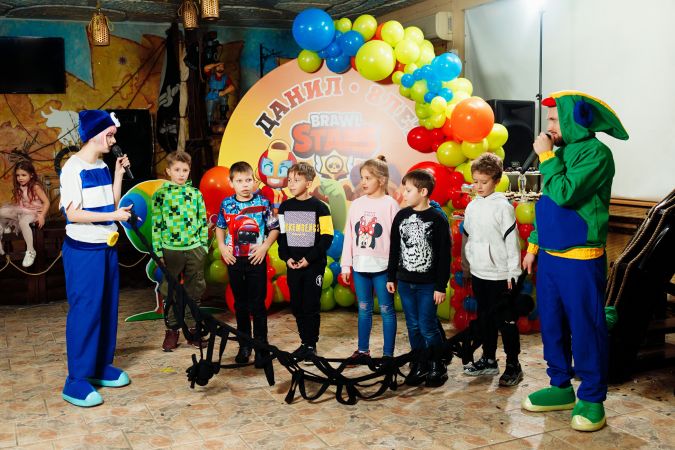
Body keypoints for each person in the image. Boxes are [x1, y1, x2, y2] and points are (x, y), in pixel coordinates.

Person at [521, 91, 629, 432]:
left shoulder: (597, 154)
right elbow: (548, 205)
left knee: (586, 328)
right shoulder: (559, 153)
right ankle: (560, 386)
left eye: (554, 119)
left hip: (580, 260)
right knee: (552, 325)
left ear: (574, 119)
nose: (549, 126)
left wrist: (546, 157)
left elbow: (565, 193)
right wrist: (533, 246)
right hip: (550, 260)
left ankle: (592, 397)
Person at [59, 109, 133, 407]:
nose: (113, 140)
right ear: (93, 134)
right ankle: (76, 379)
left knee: (106, 308)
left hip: (107, 247)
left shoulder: (102, 165)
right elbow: (73, 214)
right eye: (109, 135)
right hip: (83, 251)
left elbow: (111, 203)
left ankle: (100, 366)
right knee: (86, 311)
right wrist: (113, 216)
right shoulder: (72, 168)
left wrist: (118, 174)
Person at [461, 153, 523, 386]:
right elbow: (470, 238)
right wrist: (469, 266)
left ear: (496, 180)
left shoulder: (503, 207)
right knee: (485, 319)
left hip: (501, 275)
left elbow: (512, 242)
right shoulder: (472, 206)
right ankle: (488, 359)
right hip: (480, 272)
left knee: (506, 321)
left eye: (483, 182)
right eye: (475, 181)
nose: (478, 186)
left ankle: (513, 365)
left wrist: (513, 273)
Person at [387, 169, 451, 387]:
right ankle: (420, 361)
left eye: (408, 190)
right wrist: (391, 276)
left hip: (428, 285)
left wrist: (440, 286)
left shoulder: (438, 219)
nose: (404, 194)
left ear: (423, 192)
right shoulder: (401, 216)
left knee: (427, 326)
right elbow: (394, 249)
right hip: (405, 282)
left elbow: (444, 256)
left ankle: (437, 363)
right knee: (413, 326)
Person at [215, 161, 279, 366]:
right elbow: (220, 226)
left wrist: (264, 247)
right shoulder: (226, 203)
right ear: (231, 183)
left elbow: (274, 228)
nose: (245, 185)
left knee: (258, 304)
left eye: (248, 180)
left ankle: (261, 346)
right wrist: (222, 247)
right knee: (240, 304)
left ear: (254, 181)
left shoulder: (263, 202)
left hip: (255, 259)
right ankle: (245, 345)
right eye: (240, 181)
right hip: (234, 259)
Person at [340, 156, 400, 361]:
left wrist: (393, 271)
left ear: (381, 180)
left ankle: (388, 355)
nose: (363, 182)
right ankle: (362, 351)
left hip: (383, 268)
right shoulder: (356, 204)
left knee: (386, 310)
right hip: (360, 267)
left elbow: (396, 240)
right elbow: (349, 235)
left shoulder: (391, 205)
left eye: (368, 178)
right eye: (362, 178)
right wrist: (346, 265)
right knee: (364, 309)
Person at [151, 150, 208, 351]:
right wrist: (158, 252)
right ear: (168, 171)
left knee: (195, 290)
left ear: (189, 171)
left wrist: (203, 246)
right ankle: (172, 330)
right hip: (170, 249)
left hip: (194, 248)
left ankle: (193, 329)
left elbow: (202, 220)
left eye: (185, 170)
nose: (181, 174)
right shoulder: (160, 195)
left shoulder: (195, 194)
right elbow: (156, 224)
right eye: (177, 170)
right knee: (170, 291)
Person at [277, 162, 334, 364]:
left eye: (296, 180)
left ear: (308, 183)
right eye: (289, 180)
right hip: (293, 266)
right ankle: (303, 342)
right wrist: (287, 258)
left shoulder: (321, 208)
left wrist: (308, 259)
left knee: (310, 305)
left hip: (313, 266)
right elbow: (282, 236)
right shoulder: (284, 207)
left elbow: (327, 237)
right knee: (297, 305)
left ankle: (311, 345)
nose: (291, 184)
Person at [0, 160, 50, 267]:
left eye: (23, 175)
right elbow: (20, 204)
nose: (20, 178)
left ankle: (31, 251)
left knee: (23, 222)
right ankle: (5, 227)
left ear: (31, 175)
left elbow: (47, 202)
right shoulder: (19, 186)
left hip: (34, 212)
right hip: (23, 210)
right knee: (1, 212)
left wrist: (42, 215)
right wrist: (18, 213)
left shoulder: (35, 186)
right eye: (18, 175)